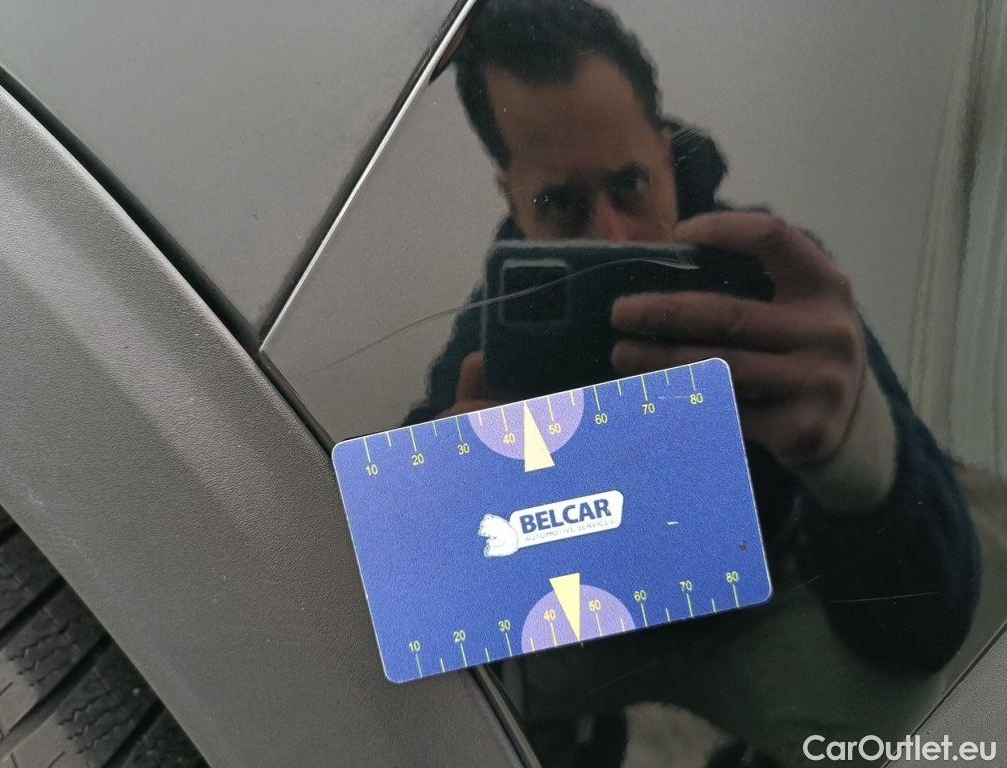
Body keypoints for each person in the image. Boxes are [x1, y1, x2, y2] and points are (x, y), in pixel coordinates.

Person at [406, 1, 980, 765]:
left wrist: (861, 458)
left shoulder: (771, 269)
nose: (611, 236)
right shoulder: (502, 314)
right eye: (561, 203)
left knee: (898, 720)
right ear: (512, 199)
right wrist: (452, 492)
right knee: (439, 701)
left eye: (630, 185)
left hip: (747, 605)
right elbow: (407, 574)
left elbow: (930, 626)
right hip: (590, 616)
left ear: (667, 156)